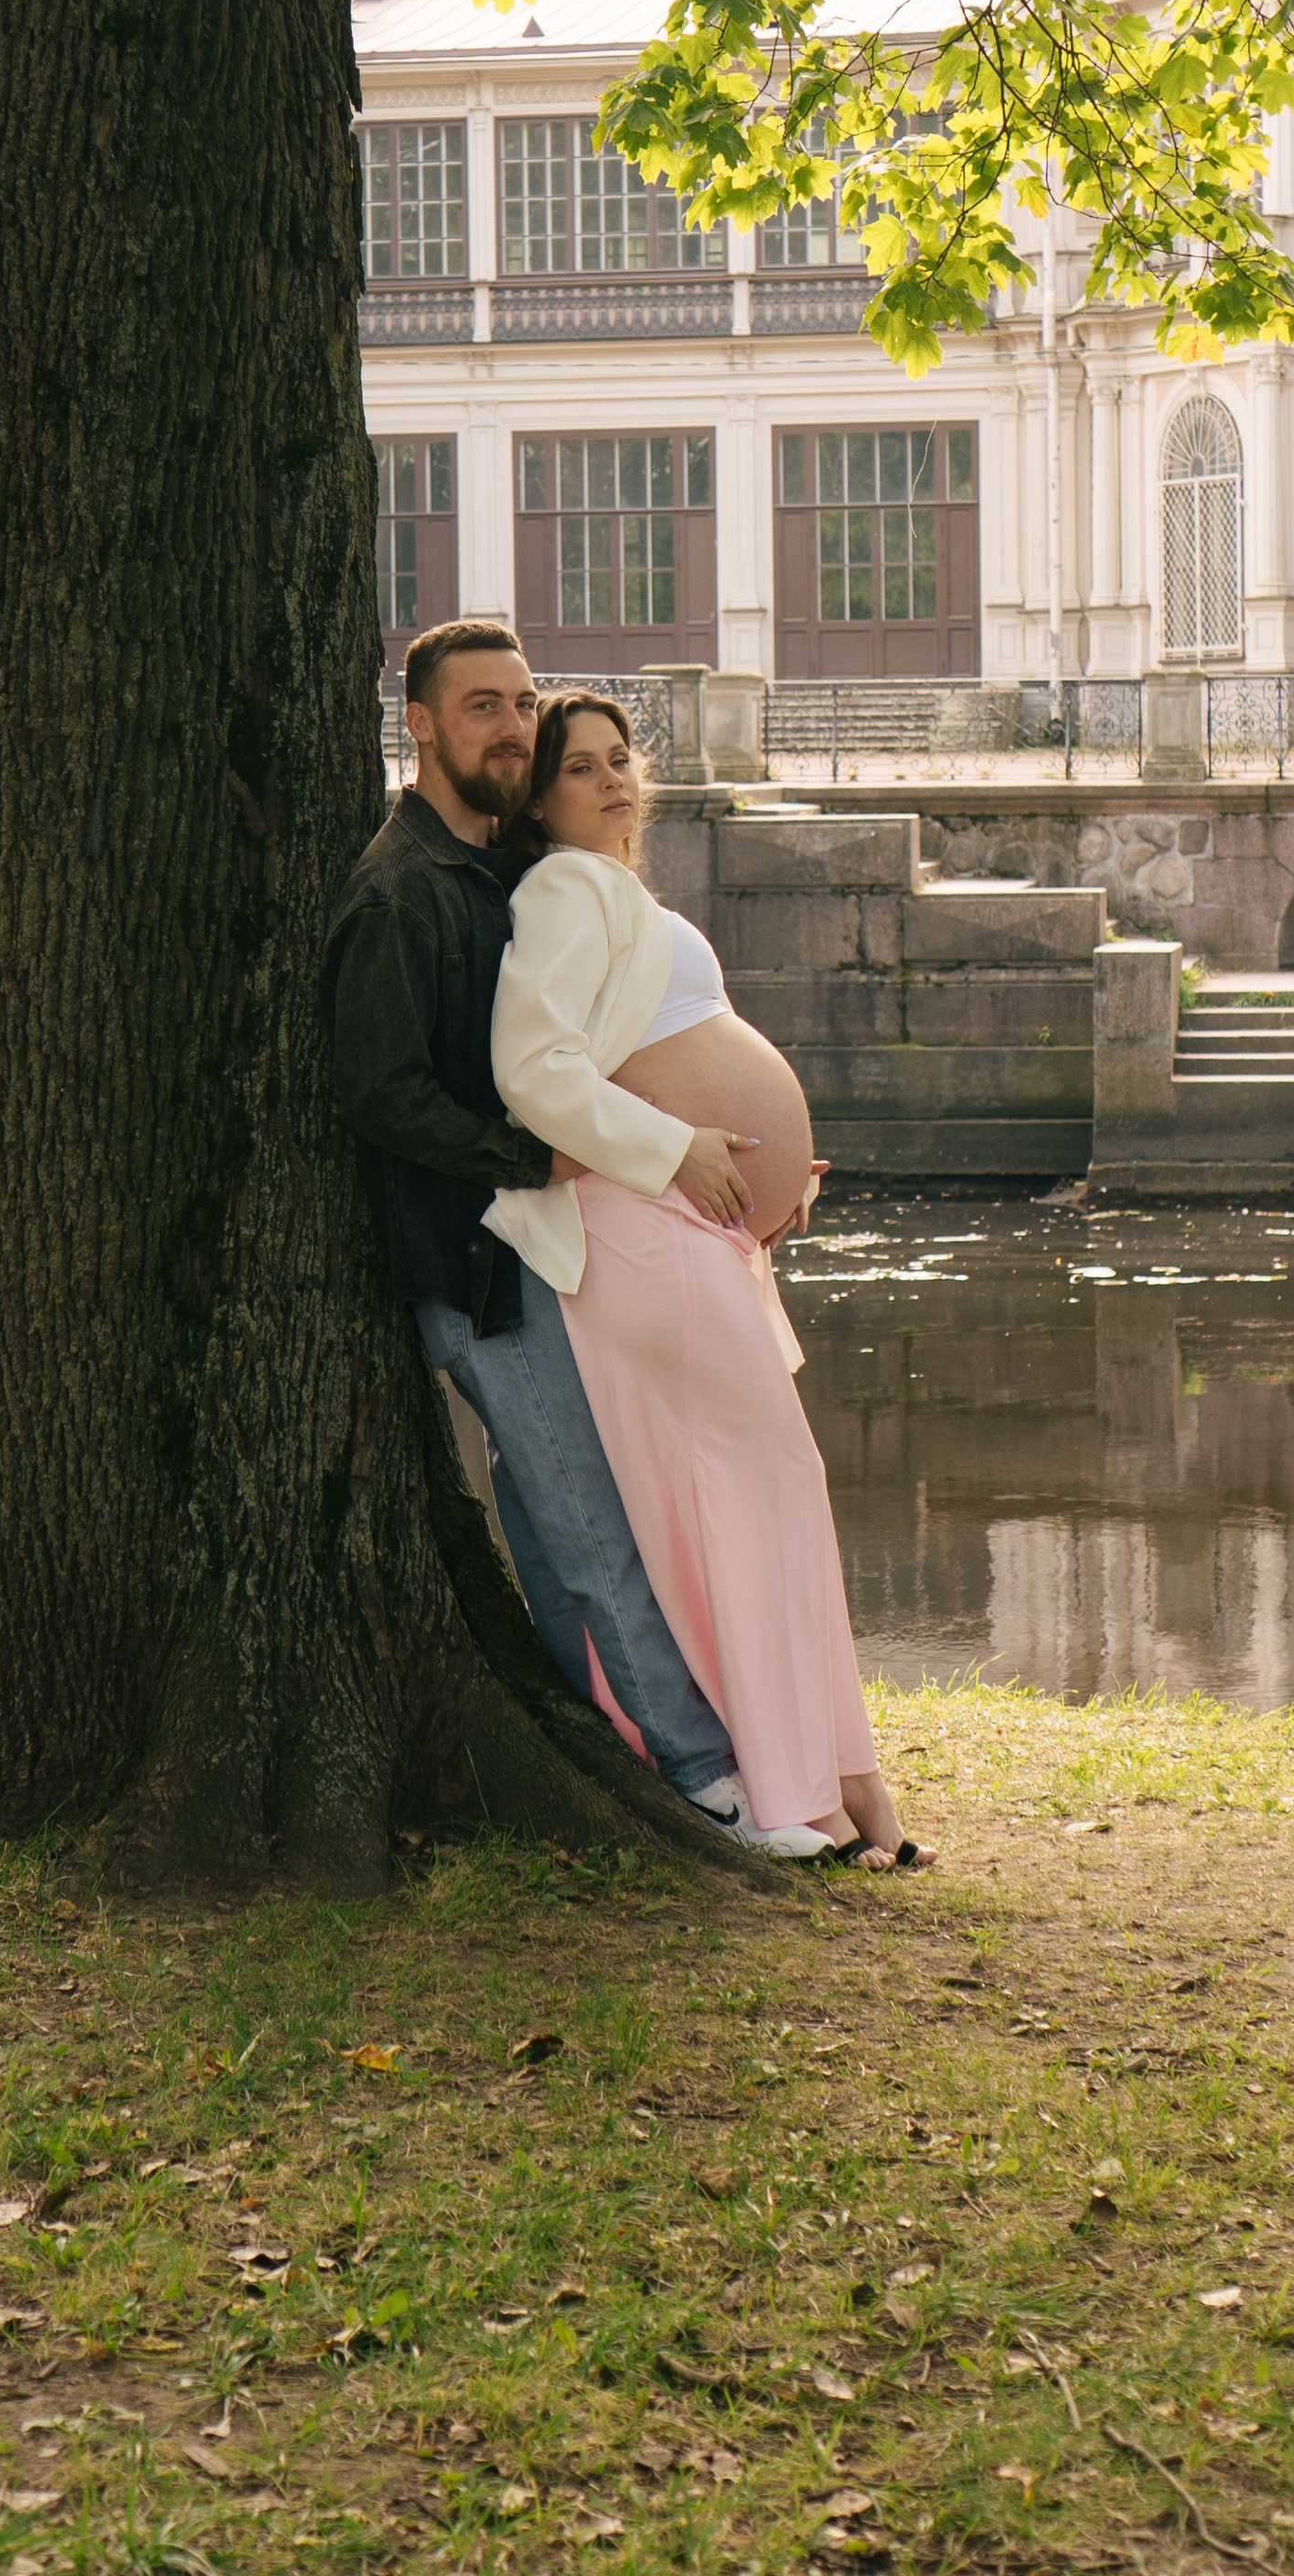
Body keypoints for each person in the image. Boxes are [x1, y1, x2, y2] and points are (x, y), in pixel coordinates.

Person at [322, 618, 792, 1847]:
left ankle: (605, 1740)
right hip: (474, 1269)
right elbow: (380, 1092)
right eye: (482, 707)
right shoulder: (403, 889)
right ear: (418, 724)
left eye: (524, 705)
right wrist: (547, 1152)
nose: (513, 728)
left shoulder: (500, 867)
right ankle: (707, 1780)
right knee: (591, 1528)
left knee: (551, 1522)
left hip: (541, 1251)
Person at [484, 693, 928, 1871]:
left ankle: (843, 1786)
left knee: (757, 1484)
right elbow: (533, 1071)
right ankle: (791, 1788)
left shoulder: (621, 896)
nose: (614, 782)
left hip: (690, 1227)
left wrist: (772, 1174)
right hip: (638, 1226)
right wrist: (684, 1149)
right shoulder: (562, 889)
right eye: (581, 769)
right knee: (744, 1486)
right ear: (539, 797)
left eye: (623, 761)